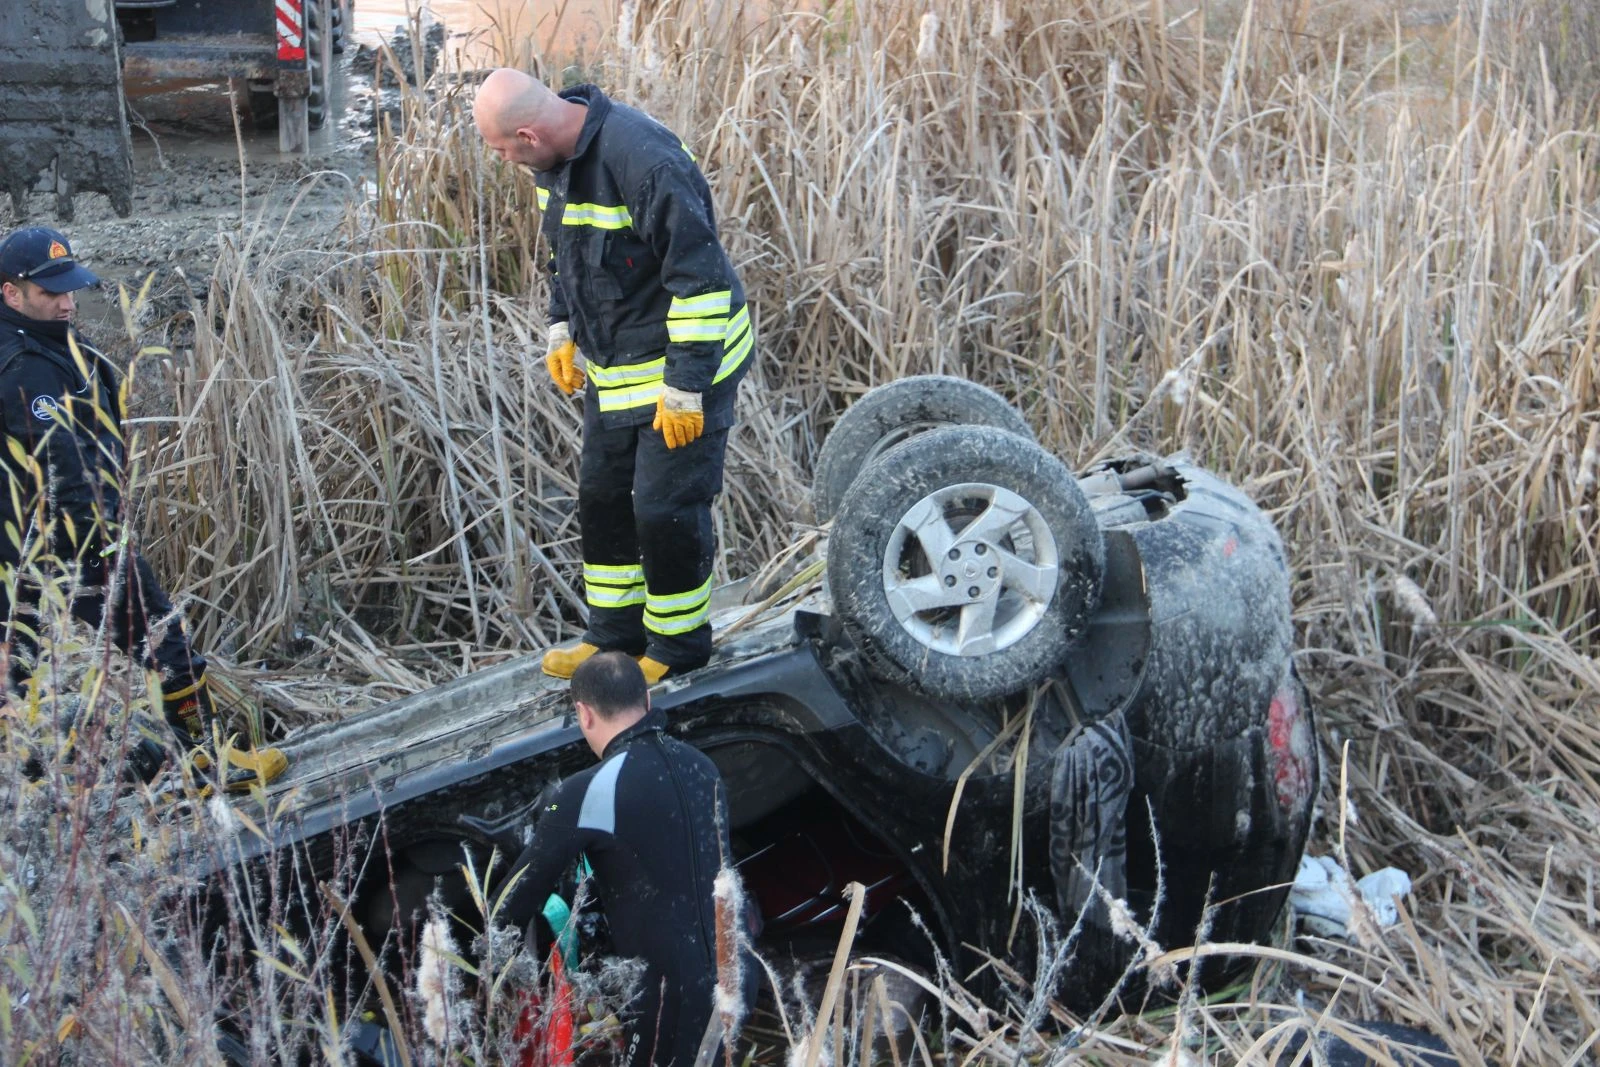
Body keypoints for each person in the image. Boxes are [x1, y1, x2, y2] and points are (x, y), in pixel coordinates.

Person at [472, 69, 755, 684]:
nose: (504, 161)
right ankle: (615, 639)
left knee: (663, 508)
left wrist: (685, 390)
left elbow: (700, 285)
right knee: (602, 499)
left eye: (502, 150)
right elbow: (567, 256)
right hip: (618, 369)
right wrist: (560, 328)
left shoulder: (645, 162)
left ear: (528, 132)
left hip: (688, 368)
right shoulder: (553, 164)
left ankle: (678, 648)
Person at [0, 225, 284, 789]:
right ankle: (206, 759)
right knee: (161, 635)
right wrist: (106, 543)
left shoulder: (52, 347)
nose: (66, 302)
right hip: (62, 542)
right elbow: (64, 472)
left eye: (69, 288)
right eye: (50, 293)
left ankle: (23, 783)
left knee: (17, 666)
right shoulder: (22, 369)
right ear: (10, 293)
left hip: (23, 546)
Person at [500, 651, 748, 1067]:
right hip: (735, 975)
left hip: (669, 997)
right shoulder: (702, 766)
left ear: (584, 713)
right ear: (647, 701)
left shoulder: (587, 790)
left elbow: (514, 900)